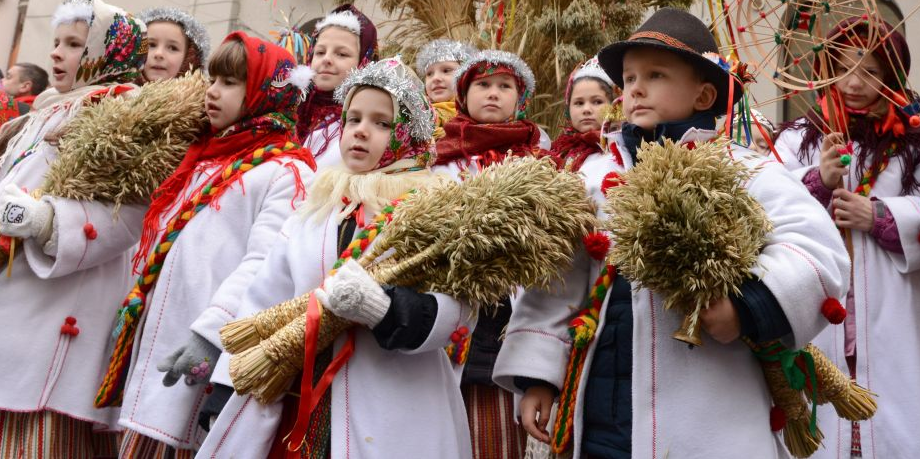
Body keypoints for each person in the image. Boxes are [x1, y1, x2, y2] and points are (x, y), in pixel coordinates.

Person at [495, 7, 850, 459]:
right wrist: (538, 375)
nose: (636, 89)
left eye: (656, 75)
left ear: (703, 96)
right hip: (602, 416)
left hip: (709, 416)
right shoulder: (595, 178)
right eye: (628, 78)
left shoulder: (743, 171)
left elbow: (817, 250)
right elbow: (557, 281)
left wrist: (747, 306)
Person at [199, 57, 474, 458]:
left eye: (381, 123)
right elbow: (265, 296)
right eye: (354, 118)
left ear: (407, 134)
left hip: (392, 406)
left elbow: (461, 309)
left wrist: (387, 309)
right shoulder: (318, 206)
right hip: (300, 401)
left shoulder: (432, 209)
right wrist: (229, 383)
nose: (361, 130)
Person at [106, 33, 316, 458]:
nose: (213, 92)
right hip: (162, 350)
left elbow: (263, 264)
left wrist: (210, 334)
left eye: (231, 82)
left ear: (264, 91)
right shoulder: (204, 157)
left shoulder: (285, 172)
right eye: (213, 79)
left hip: (205, 354)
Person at [774, 18, 920, 459]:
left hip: (896, 307)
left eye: (870, 71)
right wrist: (817, 179)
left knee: (902, 417)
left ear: (890, 76)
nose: (854, 82)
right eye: (844, 67)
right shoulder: (801, 136)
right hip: (821, 303)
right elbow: (765, 209)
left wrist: (878, 216)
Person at [0, 0, 147, 456]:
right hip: (14, 295)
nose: (56, 53)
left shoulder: (123, 112)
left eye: (74, 45)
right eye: (57, 42)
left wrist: (45, 221)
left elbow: (129, 215)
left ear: (106, 52)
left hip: (62, 304)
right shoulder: (43, 111)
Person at [433, 49, 546, 459]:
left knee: (495, 439)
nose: (493, 94)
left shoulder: (539, 162)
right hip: (449, 317)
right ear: (464, 95)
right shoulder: (439, 158)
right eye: (482, 85)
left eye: (505, 86)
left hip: (507, 320)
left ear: (521, 98)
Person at [297, 5, 379, 168]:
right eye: (320, 52)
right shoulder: (295, 113)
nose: (326, 59)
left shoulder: (367, 125)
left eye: (341, 54)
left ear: (364, 61)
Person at [551, 56, 617, 170]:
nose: (586, 109)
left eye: (597, 102)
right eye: (579, 103)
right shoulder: (558, 151)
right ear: (568, 109)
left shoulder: (619, 148)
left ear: (613, 106)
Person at [416, 38, 479, 135]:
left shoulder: (479, 111)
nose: (435, 78)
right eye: (429, 74)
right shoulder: (420, 114)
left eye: (446, 70)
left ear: (466, 76)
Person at [138, 7, 211, 82]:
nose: (159, 54)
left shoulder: (206, 93)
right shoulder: (126, 89)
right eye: (151, 45)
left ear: (190, 57)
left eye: (172, 48)